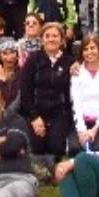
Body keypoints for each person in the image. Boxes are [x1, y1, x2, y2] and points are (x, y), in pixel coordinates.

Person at [19, 22, 76, 159]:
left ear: (62, 40)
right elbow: (25, 90)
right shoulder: (33, 60)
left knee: (55, 147)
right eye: (47, 36)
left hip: (60, 113)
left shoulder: (70, 62)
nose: (51, 39)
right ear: (42, 39)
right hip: (36, 113)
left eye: (55, 36)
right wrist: (34, 117)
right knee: (36, 147)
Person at [69, 33, 99, 150]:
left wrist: (96, 129)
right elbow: (76, 102)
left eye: (93, 48)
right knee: (75, 147)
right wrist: (82, 130)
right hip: (82, 121)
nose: (89, 52)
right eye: (85, 49)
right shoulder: (77, 72)